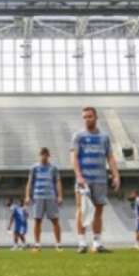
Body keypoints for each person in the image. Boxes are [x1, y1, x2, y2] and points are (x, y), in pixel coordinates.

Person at [71, 107, 120, 254]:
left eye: (90, 116)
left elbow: (110, 157)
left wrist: (116, 175)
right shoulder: (78, 136)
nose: (87, 119)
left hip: (100, 179)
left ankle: (97, 244)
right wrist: (78, 175)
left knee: (98, 211)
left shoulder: (104, 137)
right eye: (84, 117)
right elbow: (73, 157)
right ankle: (81, 243)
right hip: (84, 180)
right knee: (81, 210)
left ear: (96, 117)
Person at [25, 147, 63, 252]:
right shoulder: (34, 168)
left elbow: (58, 182)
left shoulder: (54, 168)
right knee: (37, 220)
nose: (43, 156)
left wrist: (59, 196)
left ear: (48, 155)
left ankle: (58, 244)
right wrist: (28, 196)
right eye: (42, 154)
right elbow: (29, 183)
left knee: (55, 220)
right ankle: (37, 244)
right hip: (37, 196)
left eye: (45, 154)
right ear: (39, 155)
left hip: (51, 196)